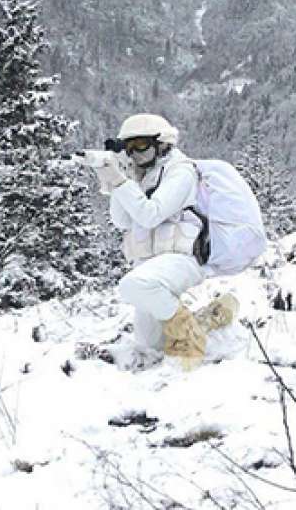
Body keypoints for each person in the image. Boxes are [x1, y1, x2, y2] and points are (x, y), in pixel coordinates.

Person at [91, 113, 236, 370]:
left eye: (141, 145)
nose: (134, 154)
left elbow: (151, 214)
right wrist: (116, 181)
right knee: (150, 344)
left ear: (162, 143)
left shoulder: (181, 172)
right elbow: (122, 221)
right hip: (149, 262)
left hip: (181, 258)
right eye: (129, 148)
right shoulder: (140, 174)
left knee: (133, 286)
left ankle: (189, 336)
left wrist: (121, 182)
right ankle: (210, 317)